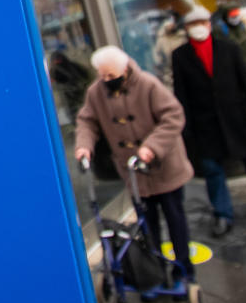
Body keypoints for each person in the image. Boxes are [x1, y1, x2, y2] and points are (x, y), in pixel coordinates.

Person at [74, 45, 196, 284]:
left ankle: (184, 272)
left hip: (164, 166)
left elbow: (174, 116)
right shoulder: (96, 93)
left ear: (125, 69)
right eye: (102, 75)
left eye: (111, 75)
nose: (106, 80)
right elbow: (87, 121)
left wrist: (151, 147)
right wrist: (83, 146)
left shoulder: (148, 85)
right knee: (147, 227)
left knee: (175, 221)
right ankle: (155, 273)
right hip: (134, 173)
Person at [172, 6, 246, 237]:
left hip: (236, 119)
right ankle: (222, 214)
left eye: (202, 22)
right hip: (205, 124)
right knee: (213, 171)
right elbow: (181, 94)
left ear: (209, 25)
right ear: (187, 29)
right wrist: (186, 129)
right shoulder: (180, 56)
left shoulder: (229, 49)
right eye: (193, 24)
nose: (198, 27)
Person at [49, 51, 90, 121]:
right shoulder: (54, 71)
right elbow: (53, 86)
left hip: (82, 96)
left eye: (59, 60)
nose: (58, 63)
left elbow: (86, 77)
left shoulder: (74, 67)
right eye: (56, 61)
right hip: (68, 99)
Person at [152, 11, 185, 89]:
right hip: (169, 76)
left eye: (172, 22)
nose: (171, 25)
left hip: (184, 72)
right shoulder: (161, 40)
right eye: (169, 23)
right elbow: (157, 58)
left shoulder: (183, 37)